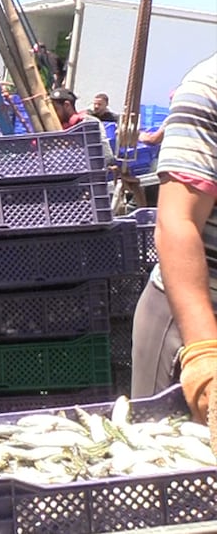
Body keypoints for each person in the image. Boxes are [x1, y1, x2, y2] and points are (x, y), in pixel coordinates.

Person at [131, 52, 217, 424]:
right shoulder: (207, 87)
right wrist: (203, 352)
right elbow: (176, 222)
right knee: (170, 456)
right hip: (193, 310)